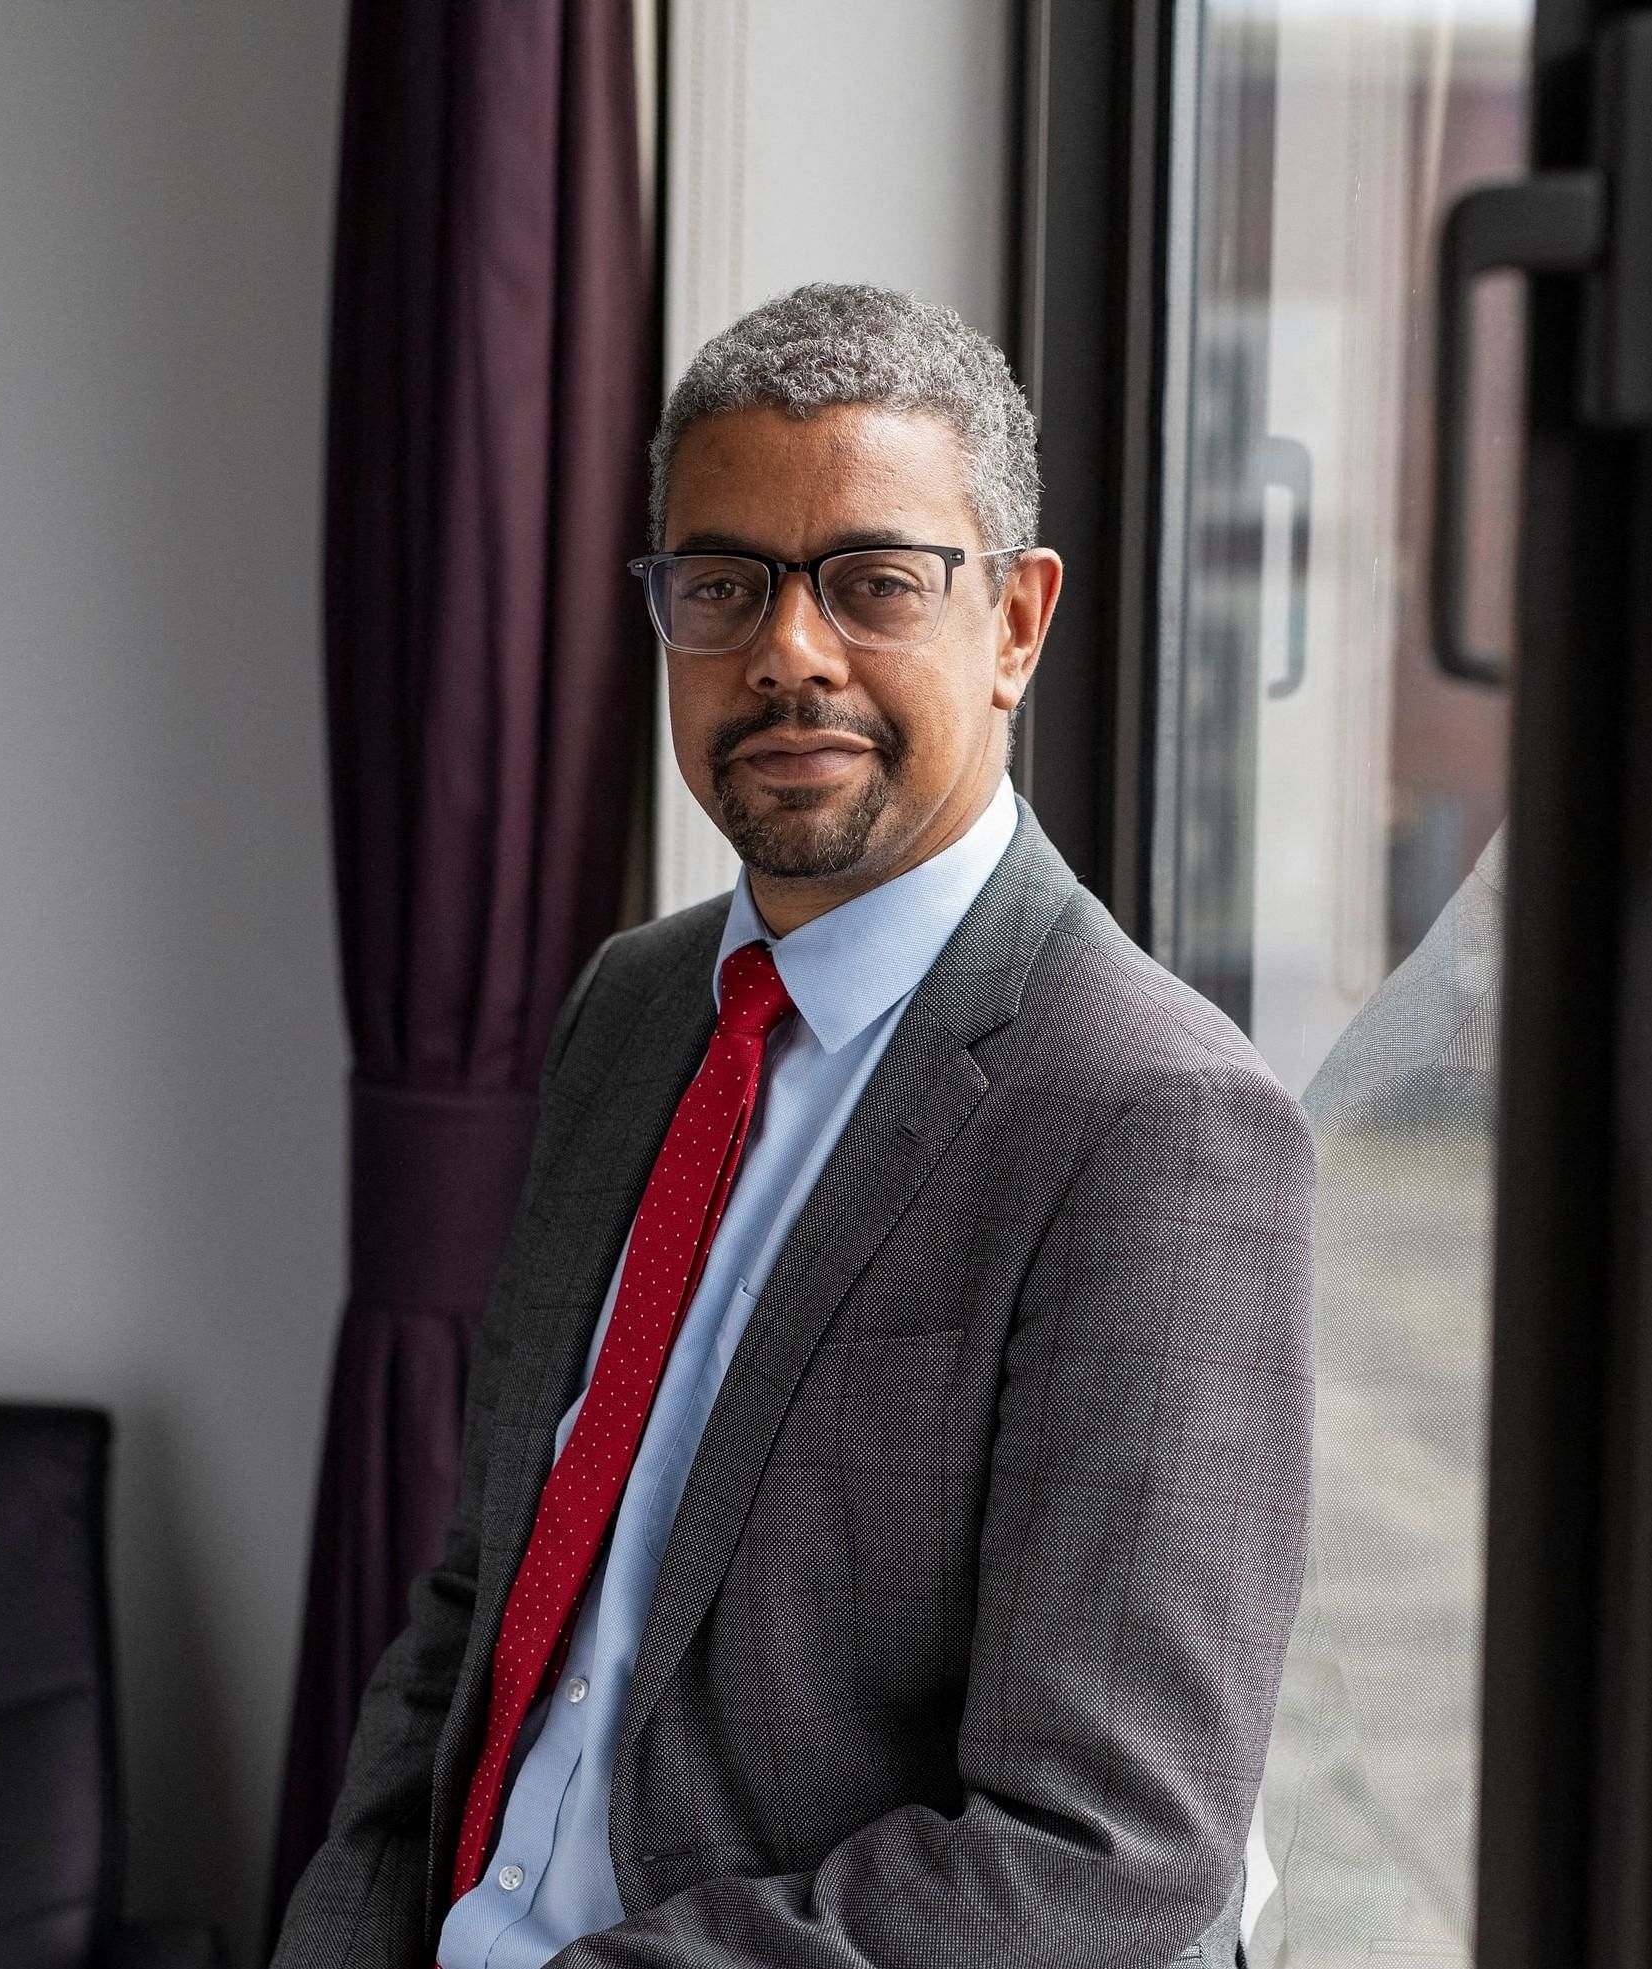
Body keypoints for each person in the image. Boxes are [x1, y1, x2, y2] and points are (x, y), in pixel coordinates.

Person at [272, 283, 1317, 1969]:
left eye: (876, 582)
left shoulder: (1158, 1122)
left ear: (1018, 626)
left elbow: (1108, 1855)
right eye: (724, 584)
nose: (790, 651)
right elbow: (480, 1597)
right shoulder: (631, 1010)